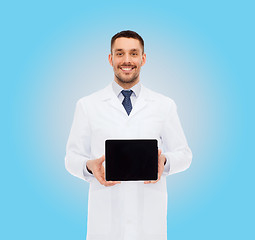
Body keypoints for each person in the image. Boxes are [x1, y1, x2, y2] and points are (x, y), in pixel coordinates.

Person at [65, 30, 192, 240]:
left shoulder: (164, 105)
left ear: (143, 58)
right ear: (110, 58)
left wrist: (164, 161)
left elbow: (184, 155)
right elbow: (71, 158)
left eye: (134, 53)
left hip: (149, 225)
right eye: (119, 53)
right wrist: (90, 166)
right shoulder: (87, 105)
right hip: (104, 225)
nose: (127, 60)